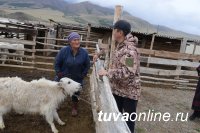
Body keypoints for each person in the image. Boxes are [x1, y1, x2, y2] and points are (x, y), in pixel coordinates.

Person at [94, 20, 141, 133]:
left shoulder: (130, 50)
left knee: (128, 122)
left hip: (129, 93)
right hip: (119, 89)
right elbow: (110, 50)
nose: (113, 33)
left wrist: (108, 73)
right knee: (117, 117)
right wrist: (99, 54)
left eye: (114, 31)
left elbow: (128, 72)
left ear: (120, 32)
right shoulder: (121, 46)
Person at [54, 32, 90, 116]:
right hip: (64, 77)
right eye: (75, 40)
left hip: (77, 77)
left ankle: (74, 107)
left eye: (78, 39)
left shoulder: (84, 53)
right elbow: (57, 63)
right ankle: (56, 105)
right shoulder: (64, 51)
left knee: (76, 92)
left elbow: (87, 65)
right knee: (59, 91)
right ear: (70, 42)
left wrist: (83, 74)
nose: (77, 42)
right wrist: (59, 73)